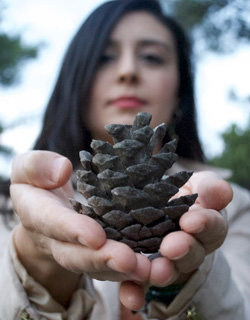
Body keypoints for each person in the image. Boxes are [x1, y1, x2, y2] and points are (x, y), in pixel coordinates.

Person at [0, 0, 249, 319]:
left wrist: (189, 279)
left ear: (180, 92)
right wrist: (37, 261)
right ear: (77, 84)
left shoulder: (235, 207)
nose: (128, 71)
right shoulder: (12, 207)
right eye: (104, 57)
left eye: (152, 57)